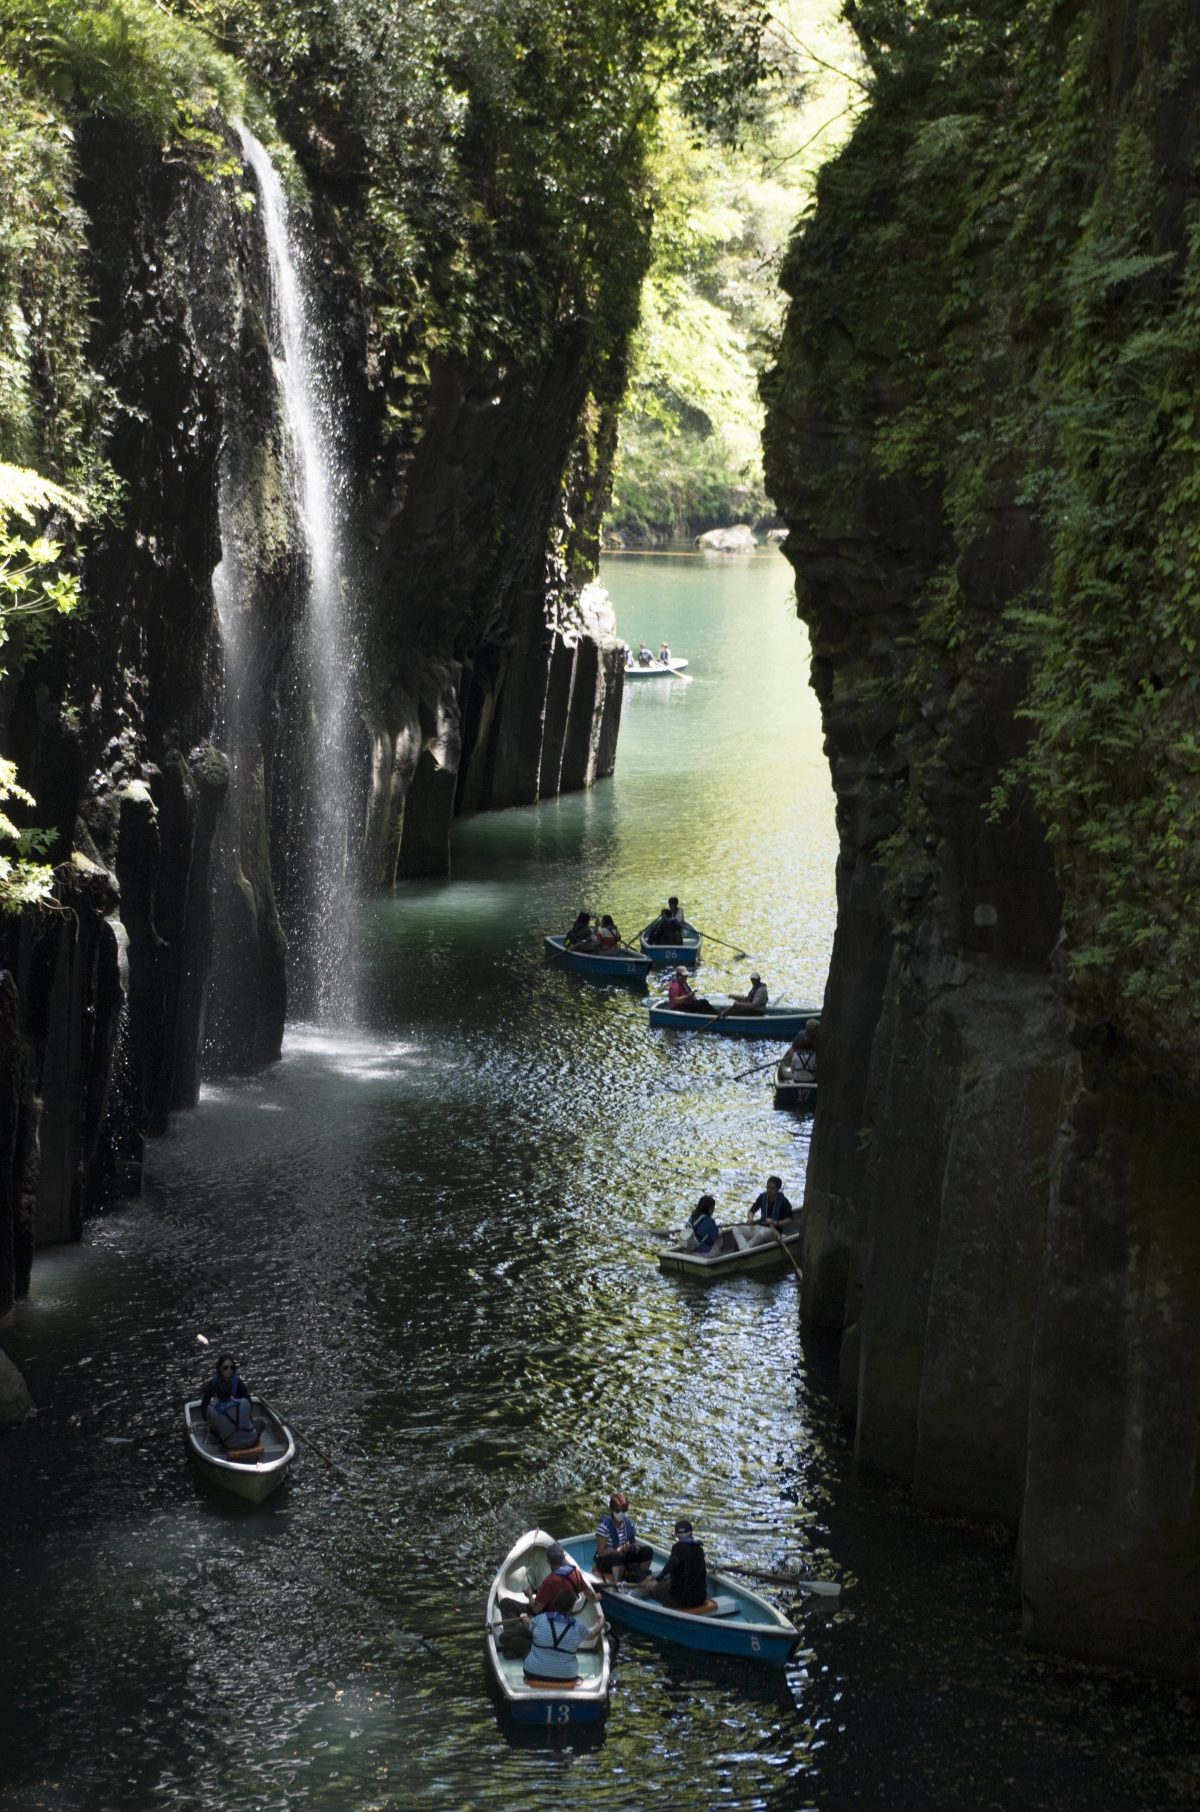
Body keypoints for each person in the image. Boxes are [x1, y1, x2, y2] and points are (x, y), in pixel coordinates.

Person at [521, 1586, 602, 1684]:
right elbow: (593, 1634)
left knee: (528, 1650)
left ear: (554, 1603)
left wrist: (524, 1617)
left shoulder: (541, 1619)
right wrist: (601, 1622)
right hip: (567, 1676)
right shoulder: (578, 1626)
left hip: (532, 1672)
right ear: (571, 1607)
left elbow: (527, 1624)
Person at [636, 1518, 709, 1610]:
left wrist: (657, 1580)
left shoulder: (678, 1547)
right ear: (691, 1532)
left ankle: (630, 1596)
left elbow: (673, 1561)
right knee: (668, 1581)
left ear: (676, 1534)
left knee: (648, 1584)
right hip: (700, 1598)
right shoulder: (699, 1548)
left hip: (682, 1600)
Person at [201, 1354, 260, 1451]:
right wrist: (207, 1421)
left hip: (235, 1410)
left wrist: (246, 1414)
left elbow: (247, 1399)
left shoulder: (237, 1381)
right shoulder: (214, 1383)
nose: (229, 1370)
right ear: (220, 1369)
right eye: (225, 1368)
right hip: (223, 1416)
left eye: (231, 1367)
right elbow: (204, 1403)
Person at [594, 1490, 653, 1585]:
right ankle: (618, 1583)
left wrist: (635, 1546)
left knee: (647, 1551)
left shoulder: (629, 1524)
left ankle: (641, 1576)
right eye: (617, 1510)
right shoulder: (603, 1528)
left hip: (624, 1555)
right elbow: (601, 1552)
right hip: (607, 1559)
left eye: (624, 1510)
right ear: (612, 1510)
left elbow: (633, 1541)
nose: (621, 1513)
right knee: (619, 1556)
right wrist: (619, 1550)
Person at [528, 1541, 603, 1615]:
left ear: (548, 1560)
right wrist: (596, 1596)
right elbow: (590, 1596)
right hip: (569, 1611)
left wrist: (529, 1595)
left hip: (552, 1617)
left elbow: (536, 1610)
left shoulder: (549, 1581)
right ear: (563, 1558)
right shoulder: (575, 1572)